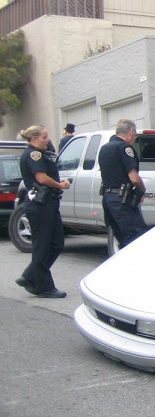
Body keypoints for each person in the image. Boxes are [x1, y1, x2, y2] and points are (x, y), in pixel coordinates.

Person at [15, 125, 71, 298]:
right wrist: (59, 184)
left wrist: (58, 181)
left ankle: (30, 276)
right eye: (44, 137)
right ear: (34, 139)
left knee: (56, 243)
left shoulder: (41, 154)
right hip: (40, 205)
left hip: (49, 203)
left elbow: (45, 177)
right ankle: (43, 286)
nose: (47, 140)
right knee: (43, 245)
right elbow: (40, 178)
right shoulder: (34, 154)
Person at [98, 119, 148, 248]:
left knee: (121, 239)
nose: (135, 138)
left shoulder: (104, 148)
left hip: (108, 199)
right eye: (135, 134)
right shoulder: (124, 148)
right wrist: (142, 190)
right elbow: (134, 178)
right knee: (136, 238)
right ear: (131, 131)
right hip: (122, 200)